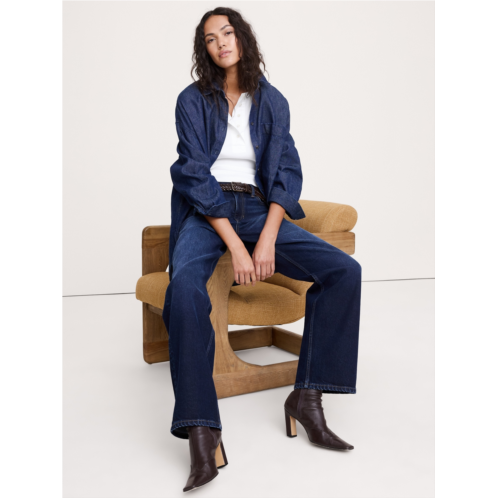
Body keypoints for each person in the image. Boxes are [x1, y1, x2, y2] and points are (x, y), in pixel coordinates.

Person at [162, 7, 362, 493]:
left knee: (344, 272)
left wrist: (267, 237)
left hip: (257, 209)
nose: (221, 43)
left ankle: (307, 399)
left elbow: (285, 174)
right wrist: (235, 243)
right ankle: (202, 430)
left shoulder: (273, 102)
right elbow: (192, 173)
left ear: (243, 38)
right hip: (205, 212)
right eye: (210, 39)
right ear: (204, 50)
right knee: (183, 288)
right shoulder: (192, 100)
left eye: (227, 33)